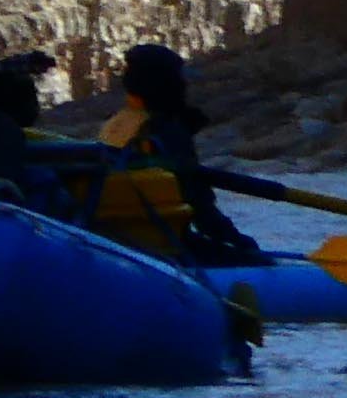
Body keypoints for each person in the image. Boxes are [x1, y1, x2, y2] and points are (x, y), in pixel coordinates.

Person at [82, 41, 264, 265]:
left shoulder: (118, 123)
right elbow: (197, 201)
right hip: (163, 247)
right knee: (254, 261)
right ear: (166, 83)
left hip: (117, 242)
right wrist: (236, 239)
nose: (185, 85)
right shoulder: (165, 131)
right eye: (179, 79)